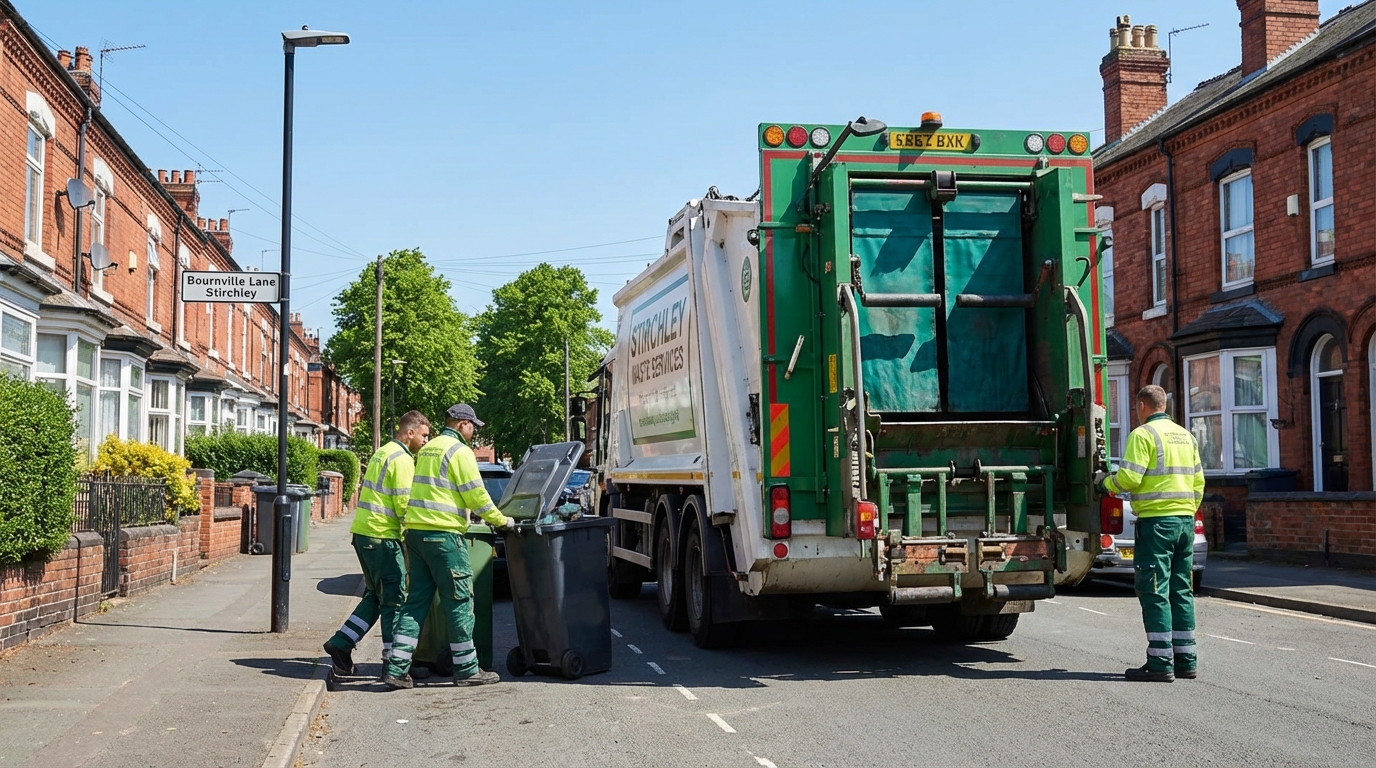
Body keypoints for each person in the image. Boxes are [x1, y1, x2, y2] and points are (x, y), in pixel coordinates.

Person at [383, 403, 513, 689]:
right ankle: (467, 669)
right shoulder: (459, 451)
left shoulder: (426, 449)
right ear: (461, 424)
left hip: (416, 535)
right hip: (444, 537)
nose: (473, 432)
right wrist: (503, 521)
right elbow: (476, 496)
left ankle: (396, 668)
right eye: (472, 426)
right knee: (459, 601)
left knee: (415, 602)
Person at [1096, 385, 1205, 683]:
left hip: (1157, 526)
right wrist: (1185, 510)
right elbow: (1199, 483)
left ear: (1142, 405)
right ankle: (1186, 660)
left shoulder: (1143, 435)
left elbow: (1130, 478)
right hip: (1184, 523)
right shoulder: (1186, 436)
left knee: (1154, 589)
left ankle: (1160, 662)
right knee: (1181, 591)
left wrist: (1105, 484)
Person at [323, 410, 431, 677]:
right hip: (383, 537)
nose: (426, 441)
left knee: (375, 596)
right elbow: (404, 505)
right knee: (393, 601)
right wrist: (416, 539)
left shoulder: (382, 452)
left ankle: (341, 643)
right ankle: (394, 663)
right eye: (424, 435)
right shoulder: (403, 460)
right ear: (410, 432)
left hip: (364, 535)